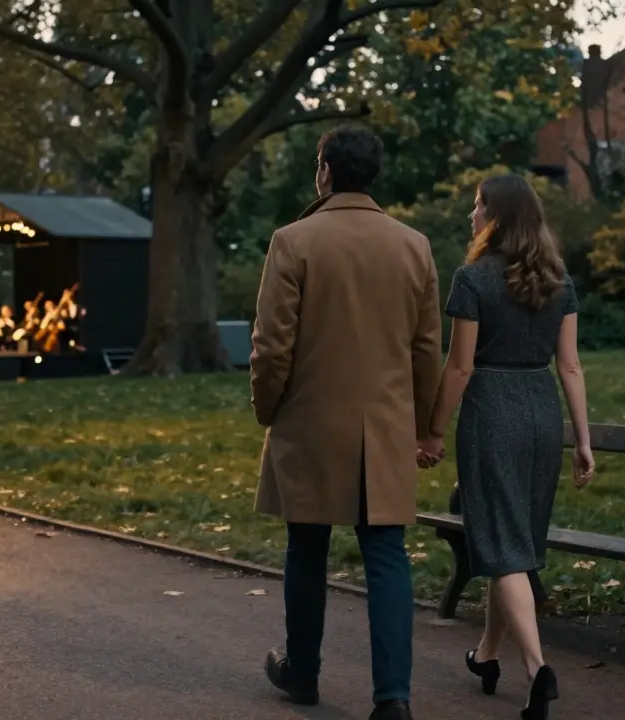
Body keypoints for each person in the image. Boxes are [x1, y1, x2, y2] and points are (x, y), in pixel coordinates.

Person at [251, 124, 442, 720]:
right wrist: (426, 427)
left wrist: (267, 408)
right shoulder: (415, 246)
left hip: (310, 422)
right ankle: (394, 698)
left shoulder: (293, 241)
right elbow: (425, 349)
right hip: (384, 426)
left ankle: (302, 673)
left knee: (306, 547)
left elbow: (271, 346)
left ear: (326, 171)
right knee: (387, 556)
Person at [417, 174, 595, 720]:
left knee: (502, 544)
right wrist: (582, 440)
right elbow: (569, 364)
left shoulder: (471, 279)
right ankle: (485, 654)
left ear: (496, 217)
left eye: (477, 207)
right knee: (509, 543)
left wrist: (432, 431)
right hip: (542, 413)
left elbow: (460, 365)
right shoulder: (558, 280)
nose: (471, 216)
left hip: (492, 410)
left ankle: (538, 669)